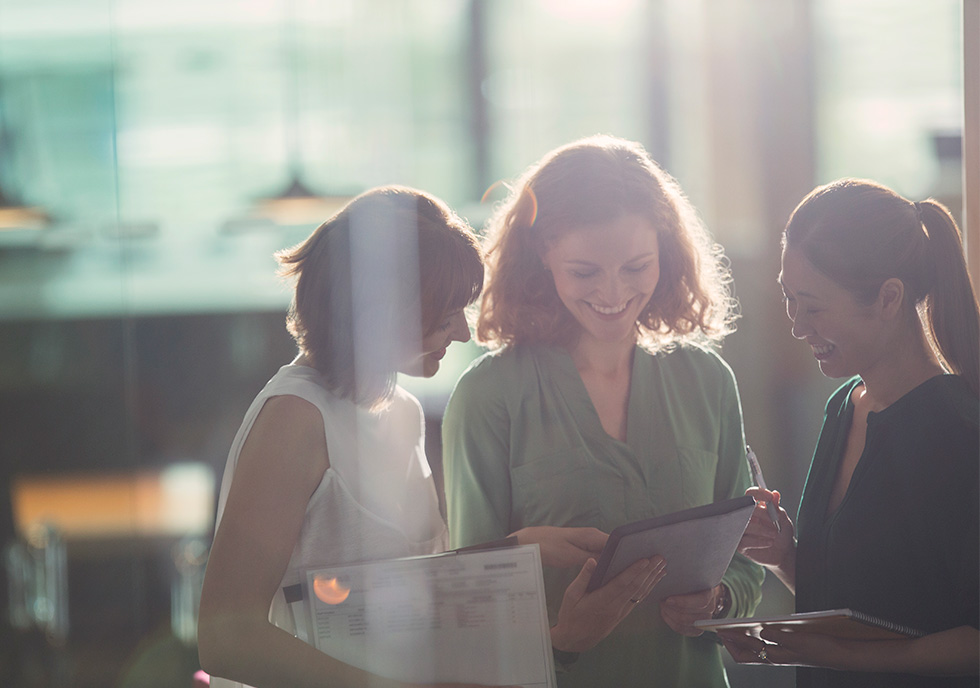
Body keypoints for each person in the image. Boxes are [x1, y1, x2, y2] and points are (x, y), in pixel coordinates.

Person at [196, 185, 667, 688]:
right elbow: (228, 638)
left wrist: (516, 549)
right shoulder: (296, 417)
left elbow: (390, 591)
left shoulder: (399, 410)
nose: (463, 333)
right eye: (444, 317)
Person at [442, 135, 764, 687]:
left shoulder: (708, 382)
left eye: (637, 266)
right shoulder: (489, 397)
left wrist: (720, 597)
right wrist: (557, 638)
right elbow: (468, 599)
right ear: (542, 254)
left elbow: (744, 559)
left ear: (666, 248)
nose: (613, 293)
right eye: (585, 272)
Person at [718, 178, 980, 686]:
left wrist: (842, 658)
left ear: (888, 298)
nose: (796, 325)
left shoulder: (959, 433)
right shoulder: (844, 407)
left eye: (813, 306)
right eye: (789, 299)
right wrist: (785, 556)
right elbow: (860, 603)